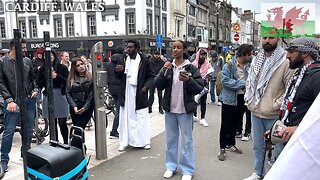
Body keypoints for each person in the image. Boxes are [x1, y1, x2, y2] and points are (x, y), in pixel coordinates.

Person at [243, 33, 294, 180]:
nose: (267, 40)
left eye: (271, 37)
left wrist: (275, 105)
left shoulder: (285, 60)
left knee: (279, 148)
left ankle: (281, 176)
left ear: (278, 38)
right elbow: (250, 82)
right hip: (256, 111)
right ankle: (258, 173)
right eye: (264, 37)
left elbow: (290, 89)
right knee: (258, 146)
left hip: (274, 115)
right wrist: (249, 98)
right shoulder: (257, 59)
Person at [155, 40, 203, 180]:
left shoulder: (191, 68)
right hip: (170, 109)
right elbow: (158, 85)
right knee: (170, 139)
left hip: (185, 110)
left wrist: (188, 80)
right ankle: (171, 166)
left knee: (186, 140)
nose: (175, 50)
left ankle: (187, 170)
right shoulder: (168, 66)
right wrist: (164, 70)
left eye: (178, 47)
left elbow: (199, 88)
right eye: (173, 47)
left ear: (184, 50)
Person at [0, 38, 38, 172]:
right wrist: (9, 100)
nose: (25, 50)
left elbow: (33, 78)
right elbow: (1, 82)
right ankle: (3, 160)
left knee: (28, 130)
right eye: (22, 48)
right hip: (12, 101)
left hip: (28, 100)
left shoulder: (27, 61)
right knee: (9, 131)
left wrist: (35, 89)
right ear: (13, 48)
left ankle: (26, 154)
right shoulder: (2, 62)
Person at [275, 38, 320, 142]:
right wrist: (276, 132)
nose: (287, 56)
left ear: (304, 53)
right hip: (292, 140)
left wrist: (298, 128)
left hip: (306, 143)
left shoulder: (317, 76)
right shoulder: (299, 74)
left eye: (291, 52)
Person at [115, 40, 154, 151]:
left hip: (139, 93)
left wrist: (145, 87)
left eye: (131, 47)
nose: (128, 49)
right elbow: (117, 77)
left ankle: (144, 141)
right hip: (126, 92)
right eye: (127, 47)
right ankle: (124, 142)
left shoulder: (145, 61)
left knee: (141, 117)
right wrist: (119, 71)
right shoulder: (123, 59)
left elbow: (151, 76)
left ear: (137, 49)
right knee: (125, 117)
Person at [217, 44, 253, 161]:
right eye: (249, 54)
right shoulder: (229, 65)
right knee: (225, 124)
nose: (251, 56)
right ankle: (222, 148)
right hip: (229, 99)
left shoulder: (248, 66)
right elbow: (225, 81)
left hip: (242, 99)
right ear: (244, 54)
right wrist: (242, 83)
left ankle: (231, 144)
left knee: (236, 123)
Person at [37, 50, 70, 144]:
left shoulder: (62, 67)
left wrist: (56, 77)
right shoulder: (42, 69)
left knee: (62, 122)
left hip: (60, 94)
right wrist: (47, 77)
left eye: (51, 55)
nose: (49, 57)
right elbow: (39, 84)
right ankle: (54, 142)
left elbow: (67, 82)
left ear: (54, 56)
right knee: (52, 122)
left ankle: (66, 142)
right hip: (48, 95)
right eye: (46, 55)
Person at [66, 57, 94, 131]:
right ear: (74, 68)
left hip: (86, 107)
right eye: (78, 65)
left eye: (82, 64)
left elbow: (92, 94)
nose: (81, 66)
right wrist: (74, 106)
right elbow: (68, 93)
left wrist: (85, 107)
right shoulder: (71, 78)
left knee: (78, 130)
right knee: (78, 129)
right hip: (75, 106)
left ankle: (73, 143)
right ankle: (80, 143)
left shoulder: (90, 77)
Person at [105, 46, 124, 139]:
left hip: (112, 88)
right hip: (120, 88)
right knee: (119, 111)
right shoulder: (122, 61)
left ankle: (117, 129)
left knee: (118, 109)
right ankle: (114, 131)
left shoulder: (108, 63)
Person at [192, 48, 213, 127]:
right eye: (202, 54)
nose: (203, 56)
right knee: (195, 100)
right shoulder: (194, 64)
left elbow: (210, 75)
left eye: (204, 55)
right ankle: (194, 115)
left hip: (204, 85)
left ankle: (203, 118)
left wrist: (207, 78)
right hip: (195, 85)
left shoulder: (208, 64)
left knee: (203, 102)